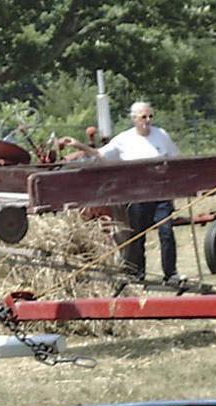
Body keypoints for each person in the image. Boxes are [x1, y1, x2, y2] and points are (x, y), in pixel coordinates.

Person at [59, 101, 181, 283]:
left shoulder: (161, 135)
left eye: (150, 116)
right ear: (134, 119)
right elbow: (100, 154)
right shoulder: (124, 139)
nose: (147, 121)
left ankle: (170, 274)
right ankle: (138, 275)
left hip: (160, 194)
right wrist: (78, 146)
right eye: (143, 117)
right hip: (136, 196)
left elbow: (176, 159)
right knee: (138, 235)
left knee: (166, 232)